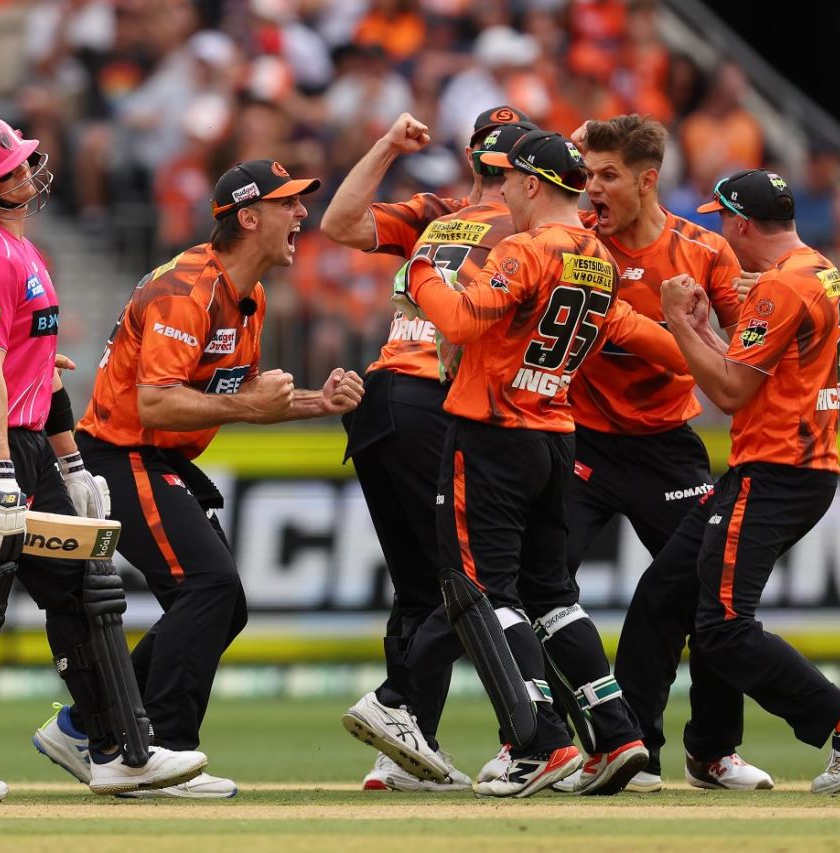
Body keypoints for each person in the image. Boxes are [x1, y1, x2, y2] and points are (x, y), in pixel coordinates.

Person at [0, 115, 207, 806]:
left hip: (24, 445)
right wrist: (0, 475)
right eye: (11, 170)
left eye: (26, 163)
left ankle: (118, 752)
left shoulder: (22, 251)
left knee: (82, 592)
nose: (27, 175)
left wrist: (69, 465)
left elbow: (42, 373)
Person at [31, 160, 365, 799]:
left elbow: (227, 392)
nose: (302, 216)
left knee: (222, 602)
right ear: (247, 216)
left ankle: (87, 725)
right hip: (121, 454)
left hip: (151, 458)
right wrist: (251, 406)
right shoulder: (187, 291)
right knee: (210, 587)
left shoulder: (248, 293)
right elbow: (158, 403)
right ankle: (157, 753)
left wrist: (315, 402)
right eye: (288, 205)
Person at [388, 129, 689, 798]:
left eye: (511, 183)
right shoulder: (599, 258)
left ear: (529, 184)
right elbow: (637, 337)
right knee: (553, 595)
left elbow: (462, 322)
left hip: (492, 433)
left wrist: (419, 273)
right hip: (556, 436)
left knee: (485, 593)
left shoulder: (525, 249)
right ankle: (616, 731)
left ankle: (540, 741)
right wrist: (699, 354)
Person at [655, 168, 840, 794]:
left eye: (721, 220)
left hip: (775, 468)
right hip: (795, 465)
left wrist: (680, 324)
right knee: (703, 595)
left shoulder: (779, 288)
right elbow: (756, 365)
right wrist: (709, 326)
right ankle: (710, 751)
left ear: (740, 223)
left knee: (725, 624)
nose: (720, 233)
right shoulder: (818, 268)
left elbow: (733, 390)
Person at [320, 107, 535, 793]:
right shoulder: (526, 227)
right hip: (436, 399)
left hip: (379, 399)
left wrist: (384, 142)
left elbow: (339, 225)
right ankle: (445, 719)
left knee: (421, 587)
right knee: (480, 577)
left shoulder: (441, 218)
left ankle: (402, 753)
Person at [557, 114, 772, 793]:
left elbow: (749, 348)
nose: (592, 189)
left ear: (647, 181)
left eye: (608, 176)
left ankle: (711, 753)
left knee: (709, 595)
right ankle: (560, 746)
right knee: (534, 586)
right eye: (587, 175)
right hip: (580, 441)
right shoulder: (573, 243)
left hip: (667, 449)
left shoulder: (705, 252)